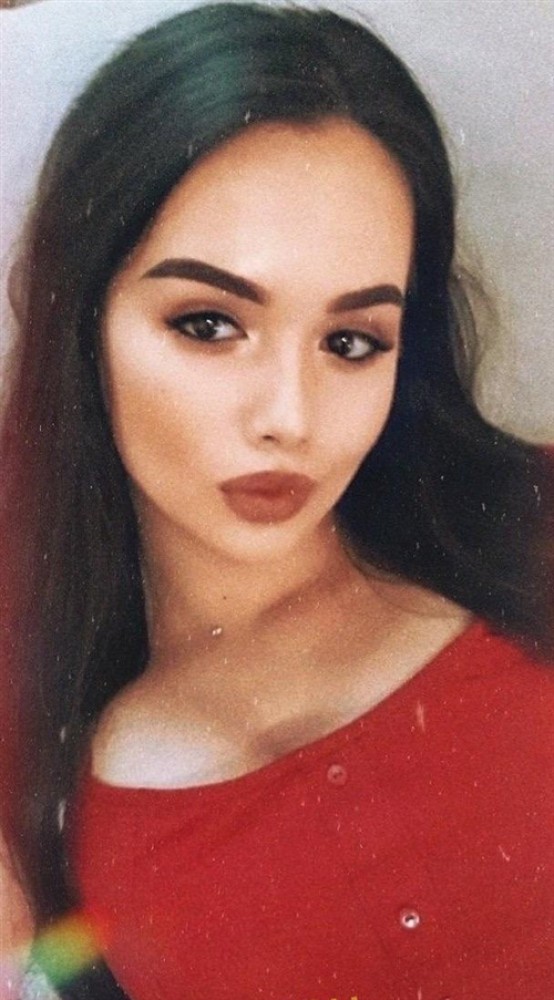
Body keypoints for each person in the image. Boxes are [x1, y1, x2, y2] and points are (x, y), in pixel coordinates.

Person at [1, 3, 552, 998]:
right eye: (209, 324)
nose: (289, 417)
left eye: (351, 341)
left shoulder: (533, 527)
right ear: (83, 315)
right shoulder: (36, 759)